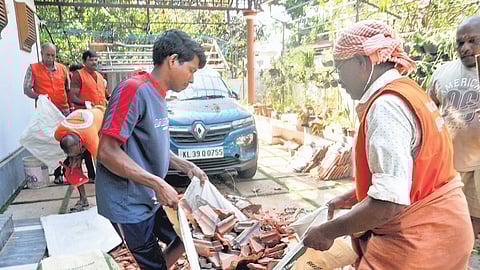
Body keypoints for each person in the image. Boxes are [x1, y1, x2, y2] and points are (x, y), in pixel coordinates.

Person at [303, 20, 473, 269]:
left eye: (339, 68)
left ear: (362, 63)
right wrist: (350, 198)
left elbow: (388, 203)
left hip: (421, 240)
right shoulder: (408, 90)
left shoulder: (386, 107)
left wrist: (328, 231)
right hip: (446, 227)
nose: (338, 79)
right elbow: (409, 175)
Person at [95, 29, 208, 270]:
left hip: (149, 197)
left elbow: (150, 145)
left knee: (183, 237)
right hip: (128, 205)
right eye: (191, 70)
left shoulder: (158, 95)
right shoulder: (133, 90)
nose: (191, 79)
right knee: (155, 262)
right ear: (173, 60)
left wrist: (184, 165)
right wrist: (157, 183)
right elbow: (106, 152)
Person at [427, 15, 480, 244]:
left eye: (473, 40)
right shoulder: (443, 72)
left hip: (478, 166)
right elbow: (427, 109)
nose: (466, 47)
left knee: (473, 221)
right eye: (460, 42)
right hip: (448, 165)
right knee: (448, 221)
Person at [54, 105, 105, 212]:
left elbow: (101, 165)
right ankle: (83, 200)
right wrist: (73, 161)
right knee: (73, 168)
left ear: (81, 146)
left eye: (76, 155)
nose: (75, 159)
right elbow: (71, 155)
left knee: (103, 168)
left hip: (102, 120)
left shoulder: (91, 138)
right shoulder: (58, 133)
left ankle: (106, 199)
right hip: (81, 125)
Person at [23, 42, 71, 116]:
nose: (50, 58)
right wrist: (39, 97)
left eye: (53, 55)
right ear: (42, 54)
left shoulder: (63, 68)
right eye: (48, 55)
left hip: (63, 110)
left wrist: (71, 106)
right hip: (44, 111)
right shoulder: (33, 68)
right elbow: (26, 90)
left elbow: (68, 89)